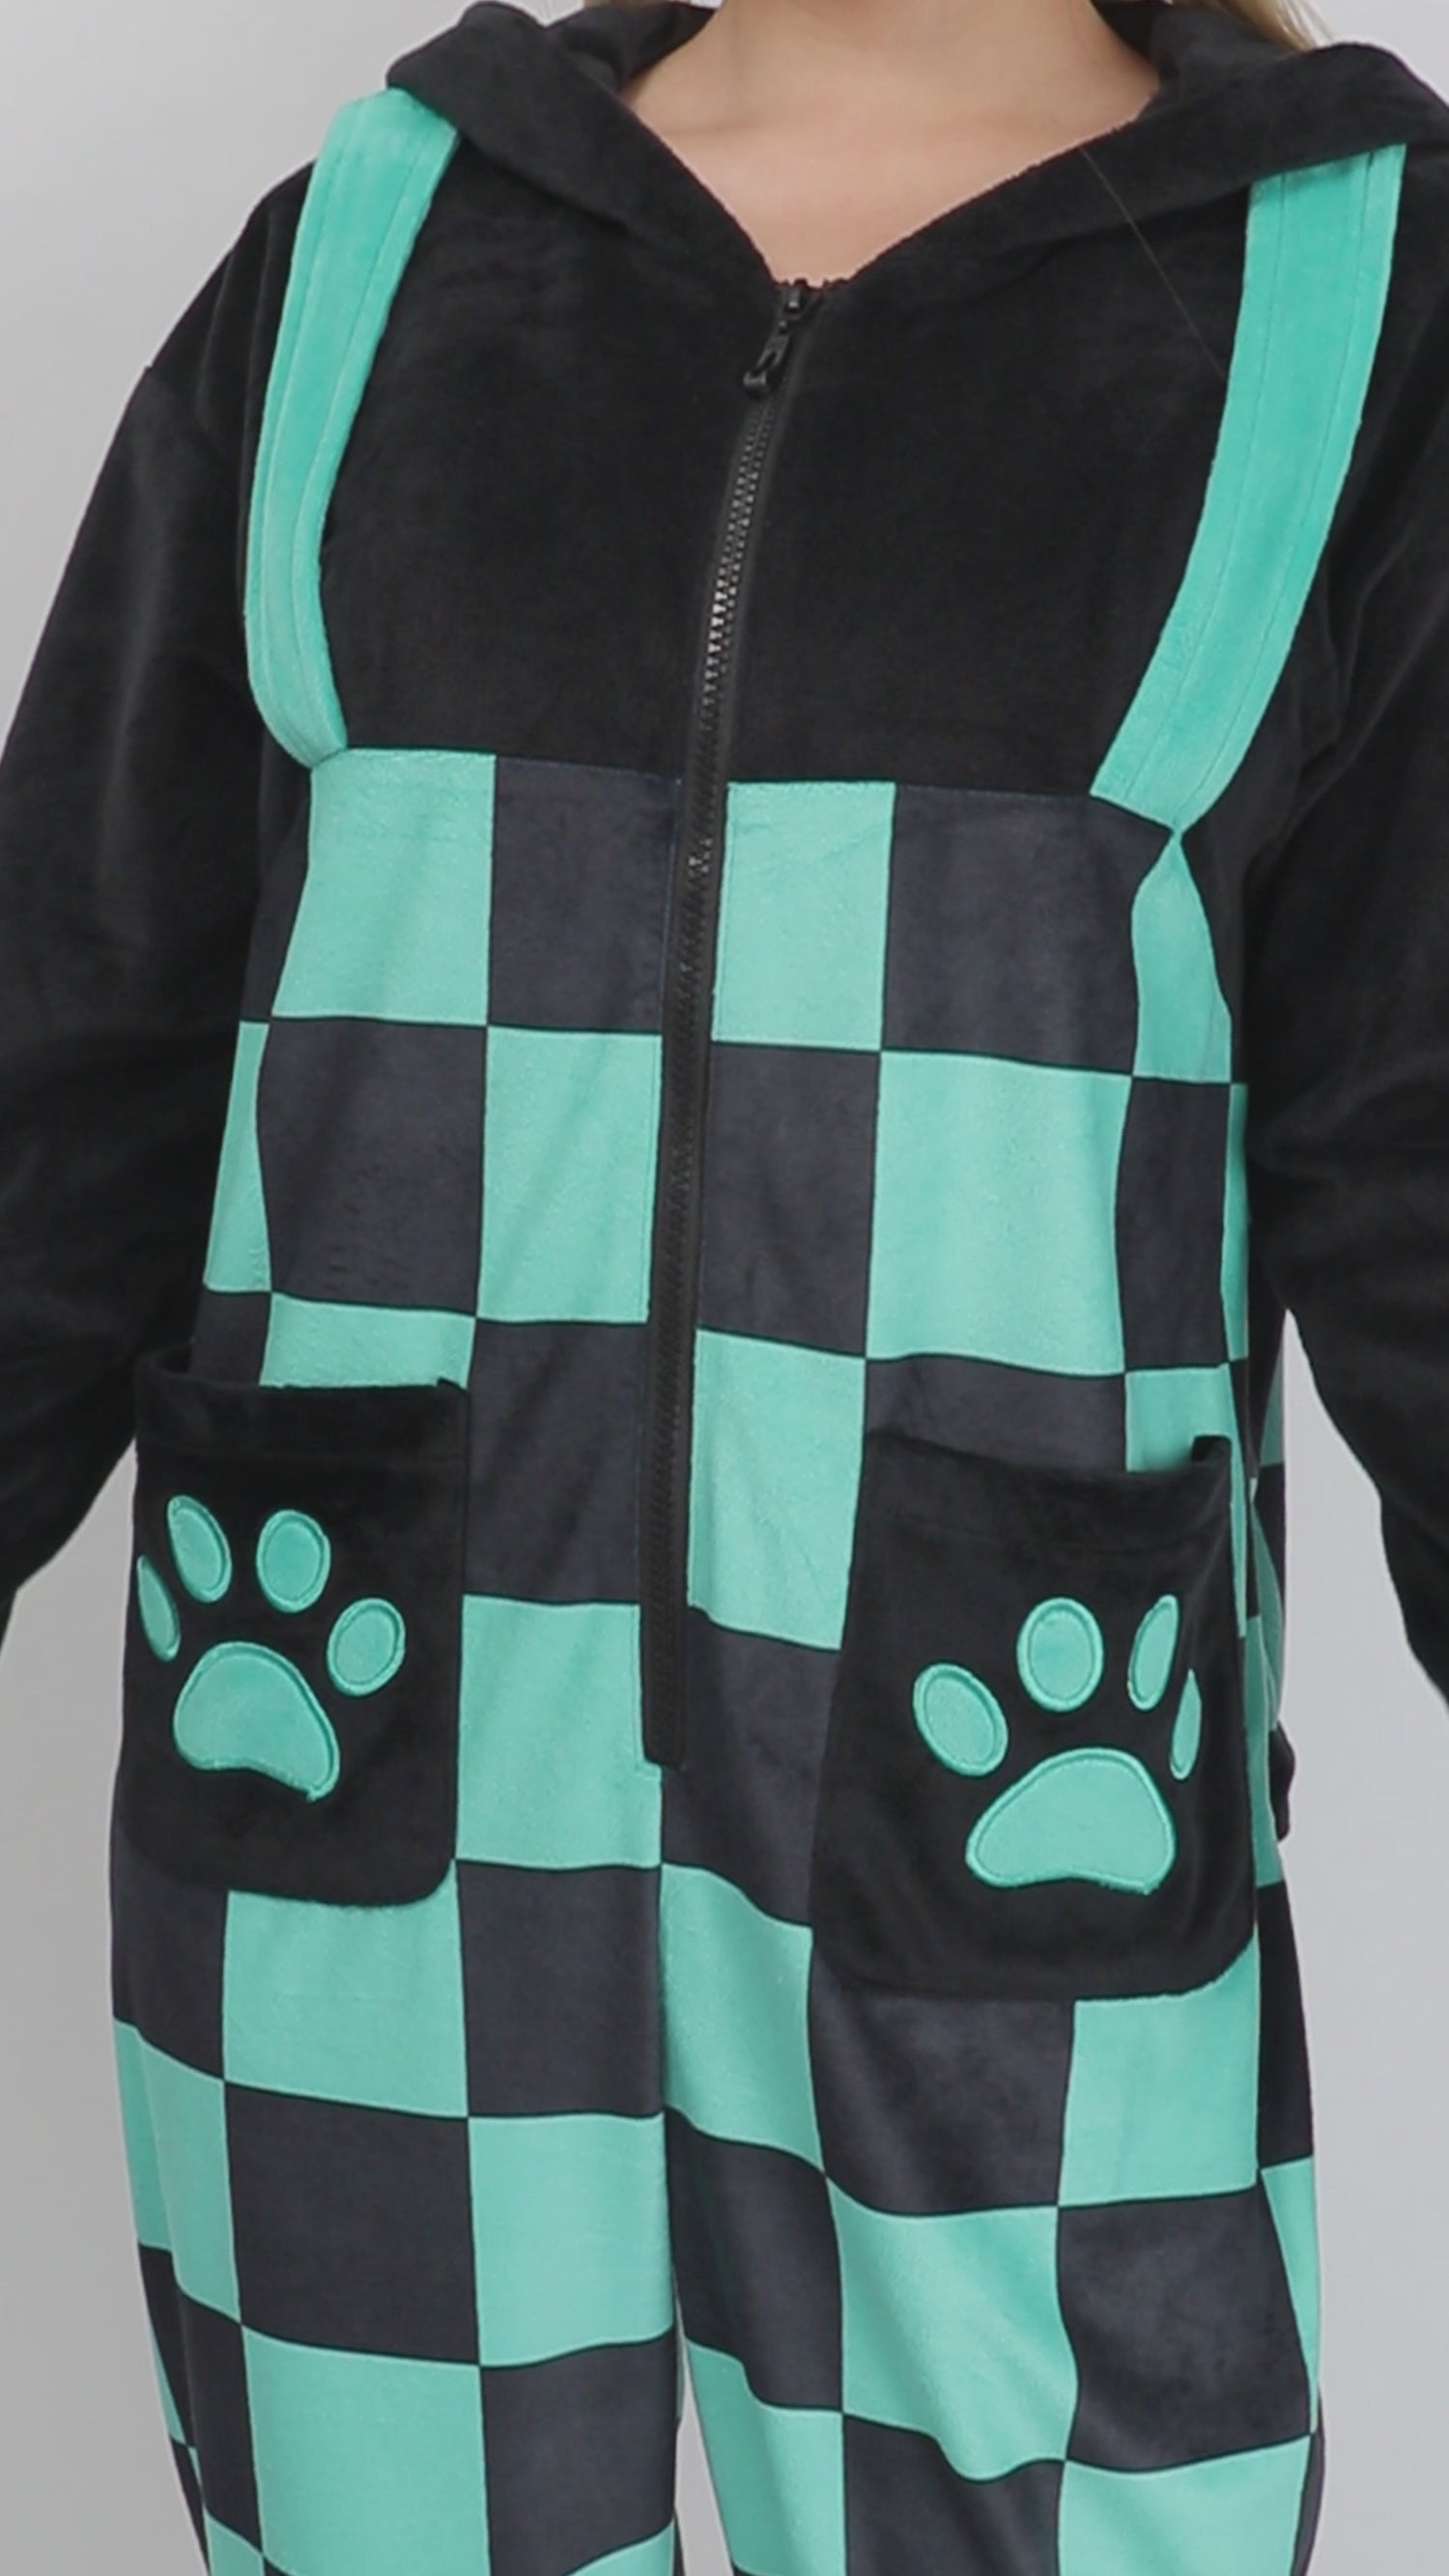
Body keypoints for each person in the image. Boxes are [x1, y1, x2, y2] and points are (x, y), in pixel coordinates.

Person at [2, 0, 1448, 2566]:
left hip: (996, 1844)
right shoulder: (366, 255)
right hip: (365, 1782)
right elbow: (65, 1061)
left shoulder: (1347, 301)